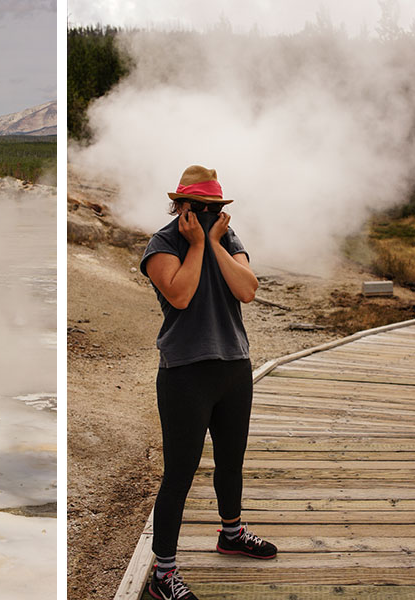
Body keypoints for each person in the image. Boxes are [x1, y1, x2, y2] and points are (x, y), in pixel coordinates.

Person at [140, 165, 277, 600]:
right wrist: (198, 244)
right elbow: (179, 293)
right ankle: (164, 574)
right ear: (179, 205)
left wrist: (214, 243)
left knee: (231, 460)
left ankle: (231, 534)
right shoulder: (162, 244)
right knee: (179, 473)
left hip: (233, 367)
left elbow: (248, 290)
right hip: (185, 371)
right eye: (197, 207)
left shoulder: (227, 240)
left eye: (212, 208)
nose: (204, 213)